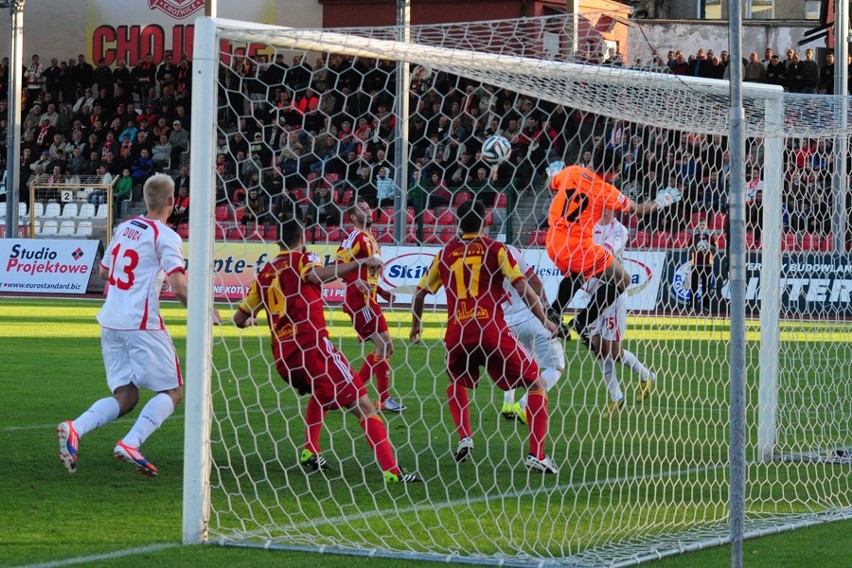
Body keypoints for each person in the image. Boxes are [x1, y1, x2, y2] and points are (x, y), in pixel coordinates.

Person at [231, 216, 420, 483]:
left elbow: (239, 319)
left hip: (284, 359)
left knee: (321, 393)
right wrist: (362, 262)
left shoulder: (264, 273)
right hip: (313, 348)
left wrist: (253, 319)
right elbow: (315, 275)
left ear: (276, 241)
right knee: (365, 406)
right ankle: (392, 471)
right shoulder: (302, 259)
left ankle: (310, 450)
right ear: (303, 239)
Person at [56, 174, 213, 477]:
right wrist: (204, 312)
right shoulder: (165, 236)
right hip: (140, 323)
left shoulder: (124, 227)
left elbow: (105, 273)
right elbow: (181, 288)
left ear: (145, 198)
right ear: (171, 201)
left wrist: (150, 279)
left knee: (126, 397)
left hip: (110, 320)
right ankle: (131, 442)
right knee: (172, 391)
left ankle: (75, 427)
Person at [410, 200, 560, 474]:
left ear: (457, 222)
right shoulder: (497, 249)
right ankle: (536, 455)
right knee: (536, 382)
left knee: (455, 380)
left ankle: (465, 436)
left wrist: (416, 326)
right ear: (485, 221)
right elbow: (525, 287)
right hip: (491, 329)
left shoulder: (444, 254)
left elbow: (419, 293)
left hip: (457, 332)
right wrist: (545, 321)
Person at [544, 149, 682, 344]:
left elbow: (550, 185)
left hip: (553, 241)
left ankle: (555, 311)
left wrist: (552, 175)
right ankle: (582, 321)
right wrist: (661, 201)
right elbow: (639, 210)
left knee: (579, 272)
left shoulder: (572, 171)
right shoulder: (606, 191)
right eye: (617, 172)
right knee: (622, 280)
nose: (617, 176)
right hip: (578, 246)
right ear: (610, 171)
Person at [336, 198, 406, 413]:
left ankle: (356, 393)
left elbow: (371, 273)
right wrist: (353, 281)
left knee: (386, 347)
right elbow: (338, 262)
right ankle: (371, 397)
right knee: (385, 346)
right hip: (359, 300)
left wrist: (383, 292)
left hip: (370, 299)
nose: (369, 211)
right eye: (363, 209)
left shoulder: (370, 238)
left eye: (369, 207)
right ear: (354, 217)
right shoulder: (355, 236)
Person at [585, 209, 656, 415]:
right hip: (592, 293)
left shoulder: (619, 230)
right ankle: (616, 396)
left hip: (613, 292)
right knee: (596, 348)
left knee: (614, 352)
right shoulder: (590, 227)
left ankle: (646, 375)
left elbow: (604, 253)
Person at [498, 244, 565, 424]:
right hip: (531, 318)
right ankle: (525, 404)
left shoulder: (480, 257)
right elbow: (533, 280)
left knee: (517, 365)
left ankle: (507, 403)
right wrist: (546, 307)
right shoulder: (509, 250)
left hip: (506, 324)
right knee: (557, 366)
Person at [690, 217, 716, 312]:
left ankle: (705, 306)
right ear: (698, 226)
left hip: (707, 265)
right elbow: (687, 248)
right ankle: (692, 306)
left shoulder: (710, 237)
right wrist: (696, 247)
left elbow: (716, 249)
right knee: (694, 286)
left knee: (706, 287)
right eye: (700, 225)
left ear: (706, 226)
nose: (702, 226)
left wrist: (709, 247)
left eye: (703, 225)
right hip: (696, 264)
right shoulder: (694, 236)